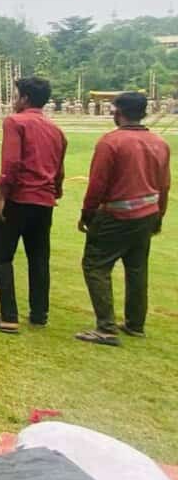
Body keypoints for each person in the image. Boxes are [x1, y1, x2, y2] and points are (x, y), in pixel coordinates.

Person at [75, 92, 170, 346]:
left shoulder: (111, 142)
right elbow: (165, 184)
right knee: (137, 268)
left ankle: (105, 328)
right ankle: (135, 324)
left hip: (116, 215)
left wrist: (87, 213)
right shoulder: (159, 143)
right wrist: (160, 214)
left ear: (118, 112)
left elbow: (98, 184)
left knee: (95, 266)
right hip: (147, 214)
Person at [0, 77, 67, 334]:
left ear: (25, 98)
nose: (13, 100)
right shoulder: (56, 130)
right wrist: (55, 192)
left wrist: (0, 197)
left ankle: (8, 316)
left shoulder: (15, 122)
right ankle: (39, 314)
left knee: (0, 257)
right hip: (44, 201)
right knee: (39, 257)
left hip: (18, 199)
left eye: (16, 95)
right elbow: (59, 170)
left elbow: (12, 165)